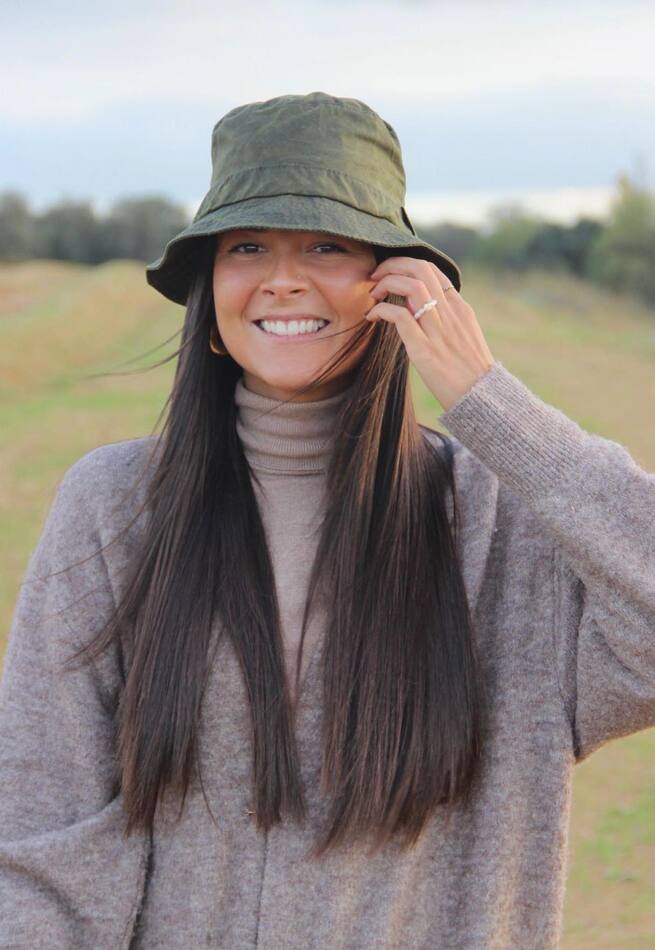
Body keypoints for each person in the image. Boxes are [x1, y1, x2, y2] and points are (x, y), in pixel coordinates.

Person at [1, 91, 654, 950]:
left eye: (326, 244)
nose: (282, 278)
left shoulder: (505, 526)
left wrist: (486, 400)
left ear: (398, 285)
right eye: (246, 247)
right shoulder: (115, 504)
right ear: (207, 295)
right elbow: (44, 837)